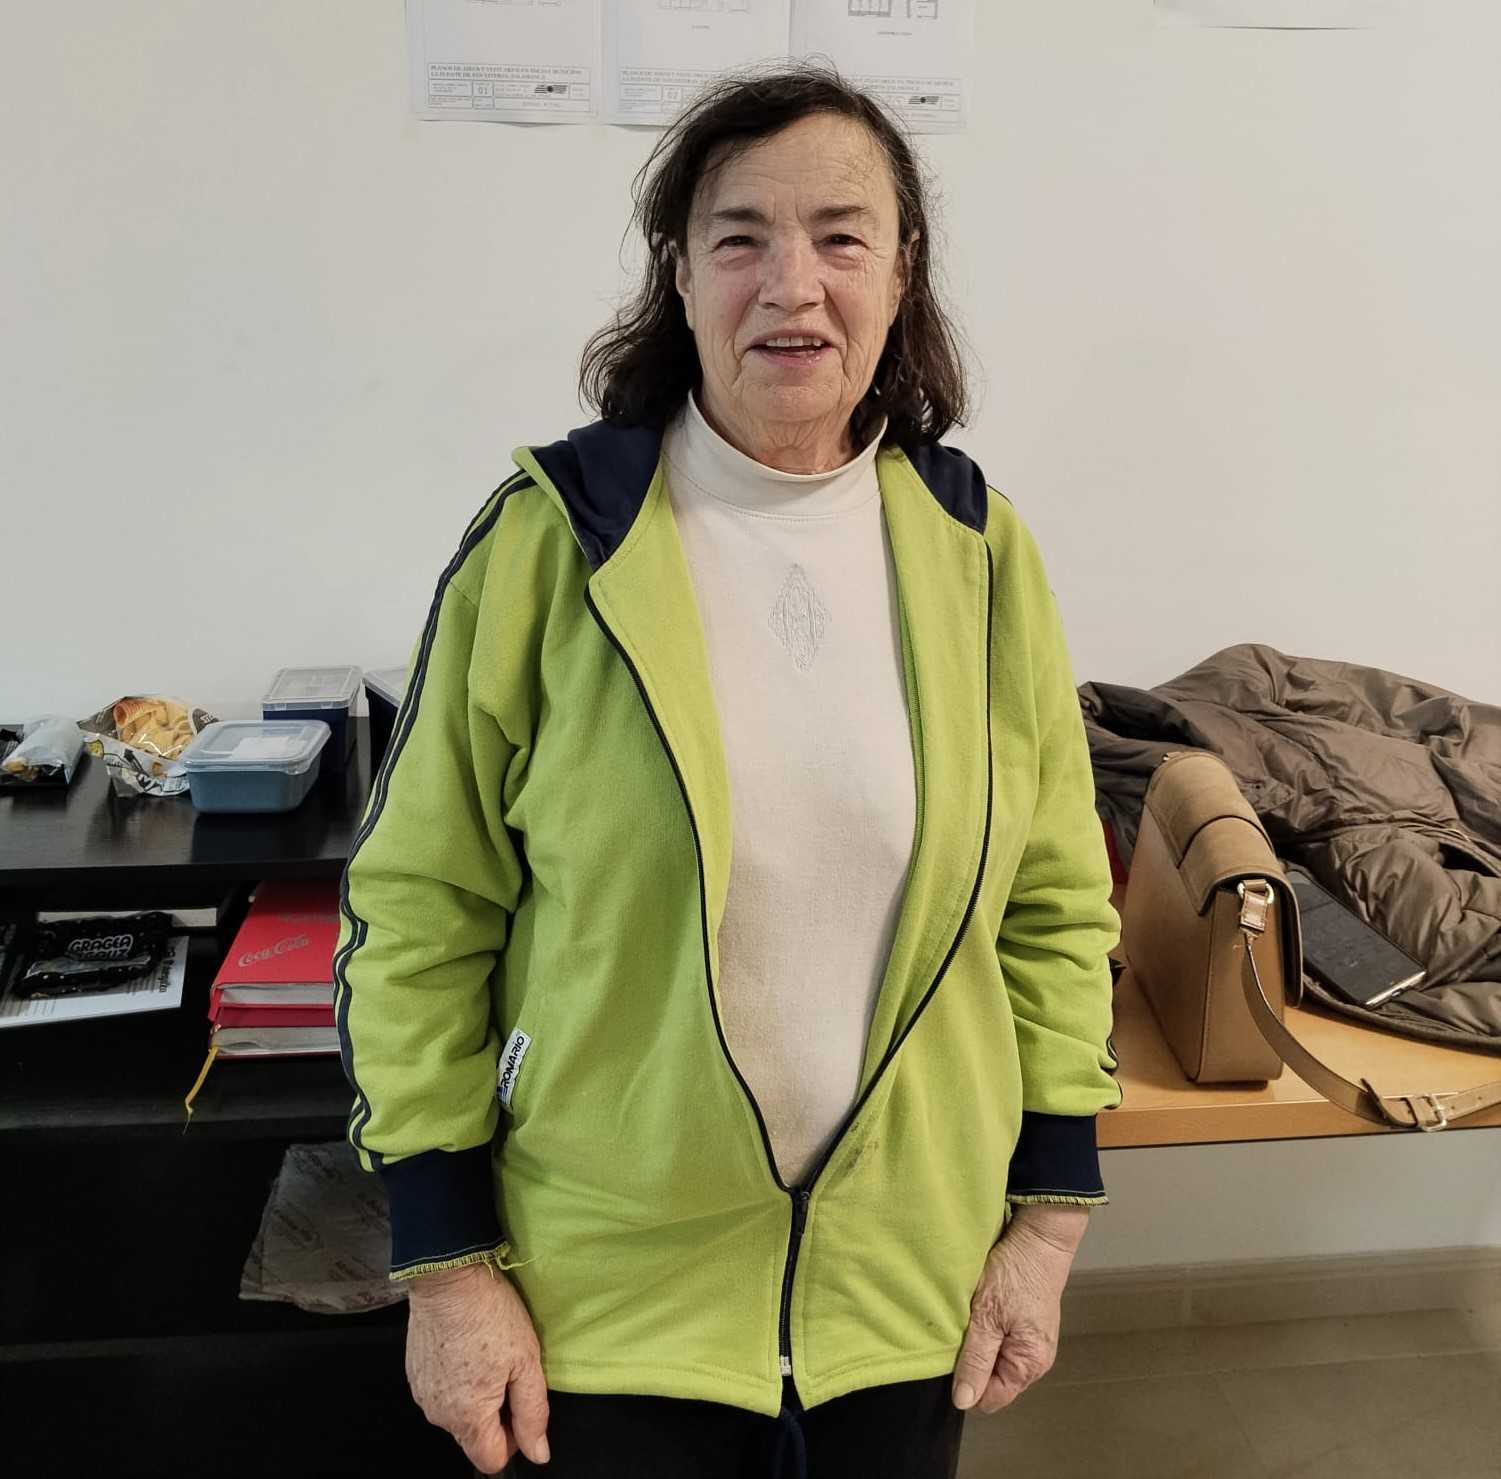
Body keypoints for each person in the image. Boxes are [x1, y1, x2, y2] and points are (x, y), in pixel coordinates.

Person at [334, 64, 1121, 1479]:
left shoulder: (978, 549)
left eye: (840, 237)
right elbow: (420, 911)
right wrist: (447, 1268)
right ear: (681, 274)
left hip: (905, 1293)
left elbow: (1054, 905)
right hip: (607, 1300)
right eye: (740, 236)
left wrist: (1045, 1224)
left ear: (902, 271)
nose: (790, 285)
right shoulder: (555, 539)